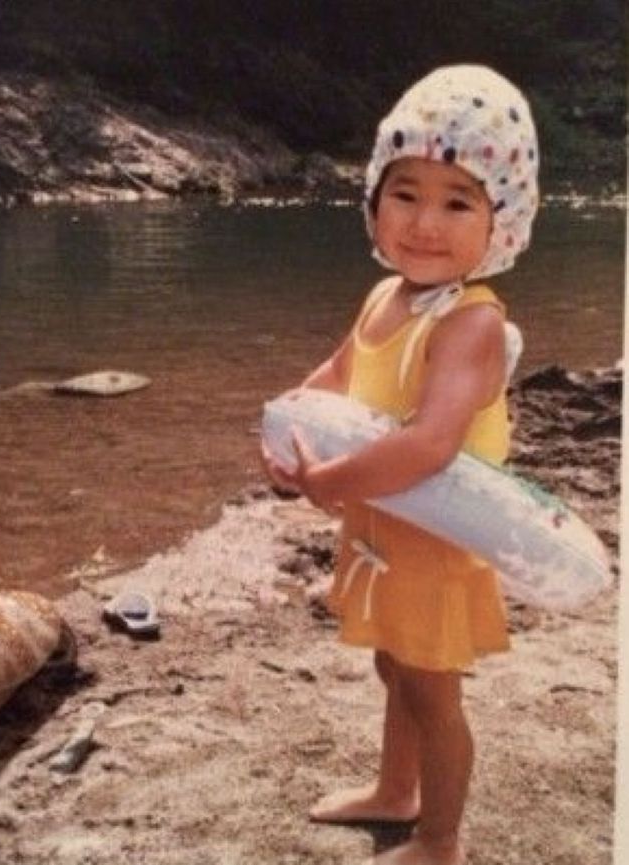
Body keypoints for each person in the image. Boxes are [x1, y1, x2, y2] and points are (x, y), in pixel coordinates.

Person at [262, 64, 539, 865]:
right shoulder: (386, 297)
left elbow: (430, 444)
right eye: (405, 192)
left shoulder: (470, 326)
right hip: (385, 529)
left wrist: (328, 482)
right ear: (374, 204)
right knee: (394, 665)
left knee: (433, 691)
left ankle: (441, 838)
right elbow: (334, 377)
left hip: (436, 545)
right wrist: (284, 434)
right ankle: (395, 789)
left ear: (503, 222)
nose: (424, 221)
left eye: (459, 201)